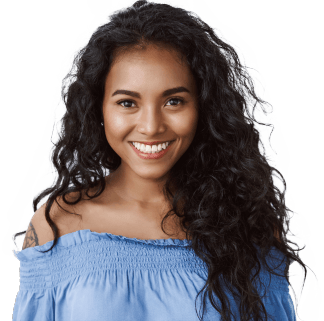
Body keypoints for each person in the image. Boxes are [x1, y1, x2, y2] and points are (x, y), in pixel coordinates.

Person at [12, 0, 312, 320]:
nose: (151, 126)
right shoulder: (56, 224)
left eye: (173, 101)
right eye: (127, 102)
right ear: (98, 109)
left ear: (204, 107)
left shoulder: (248, 225)